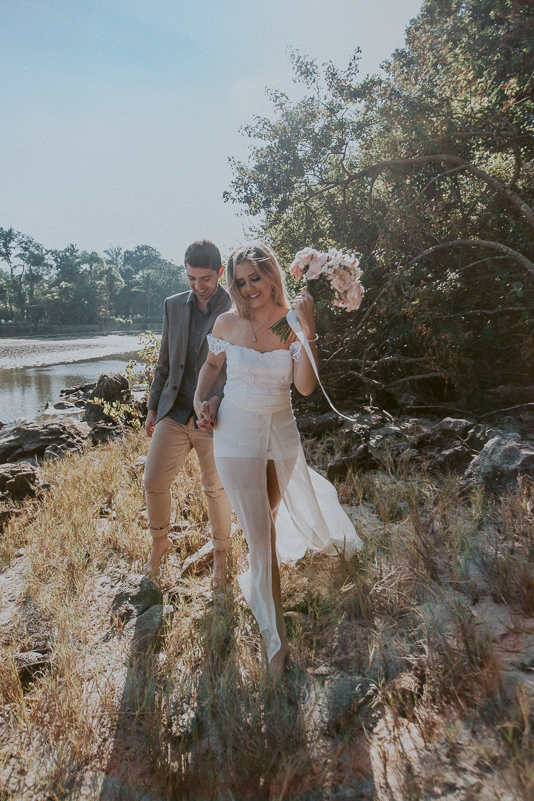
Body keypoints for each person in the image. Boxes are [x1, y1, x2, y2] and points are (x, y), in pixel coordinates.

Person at [193, 241, 362, 677]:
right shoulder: (228, 322)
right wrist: (201, 400)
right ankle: (275, 642)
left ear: (272, 276)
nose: (249, 288)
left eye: (256, 278)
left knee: (264, 519)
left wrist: (308, 332)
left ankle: (258, 585)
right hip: (234, 432)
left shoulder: (289, 324)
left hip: (281, 433)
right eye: (240, 280)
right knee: (261, 530)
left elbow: (305, 387)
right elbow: (212, 367)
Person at [142, 239, 234, 588]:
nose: (198, 285)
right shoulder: (172, 306)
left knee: (215, 489)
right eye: (192, 278)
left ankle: (221, 554)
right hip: (174, 411)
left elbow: (240, 368)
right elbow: (164, 361)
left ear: (220, 272)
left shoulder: (236, 307)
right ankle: (160, 542)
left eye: (206, 278)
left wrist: (219, 400)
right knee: (153, 481)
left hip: (216, 416)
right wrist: (153, 407)